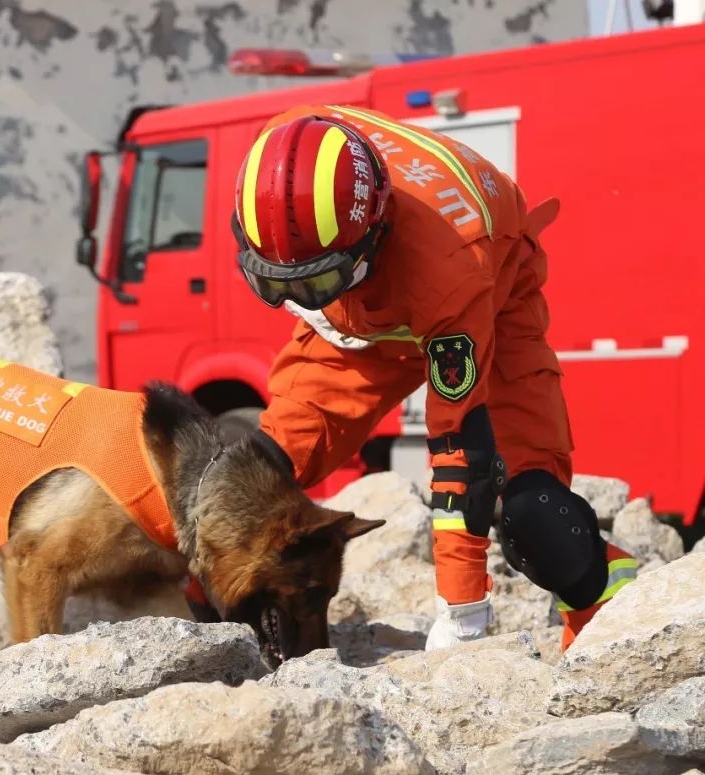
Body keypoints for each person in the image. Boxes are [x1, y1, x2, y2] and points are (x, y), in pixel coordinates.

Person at [233, 104, 636, 651]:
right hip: (360, 317)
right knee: (260, 468)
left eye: (315, 282)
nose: (297, 300)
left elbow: (458, 453)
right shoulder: (281, 158)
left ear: (372, 234)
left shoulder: (453, 267)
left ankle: (609, 617)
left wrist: (461, 612)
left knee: (539, 518)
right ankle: (239, 614)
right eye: (280, 285)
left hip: (491, 304)